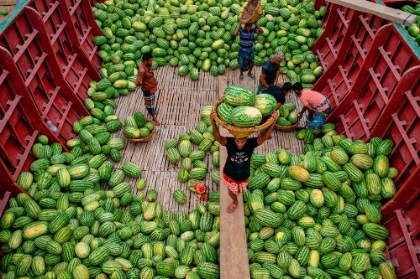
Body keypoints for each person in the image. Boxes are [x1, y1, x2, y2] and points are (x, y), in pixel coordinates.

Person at [210, 110, 279, 213]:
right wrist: (213, 122)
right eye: (238, 140)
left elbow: (264, 137)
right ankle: (235, 201)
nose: (240, 143)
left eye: (243, 140)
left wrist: (273, 122)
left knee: (239, 190)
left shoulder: (251, 143)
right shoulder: (229, 142)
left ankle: (236, 196)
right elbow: (218, 137)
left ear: (247, 138)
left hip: (244, 175)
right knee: (231, 191)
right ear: (234, 138)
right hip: (230, 174)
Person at [135, 52, 160, 126]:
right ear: (145, 61)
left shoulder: (147, 65)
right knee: (150, 104)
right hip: (147, 89)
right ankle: (154, 118)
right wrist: (144, 86)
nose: (151, 62)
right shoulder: (142, 70)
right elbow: (137, 82)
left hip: (151, 88)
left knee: (152, 100)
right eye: (150, 61)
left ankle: (150, 112)